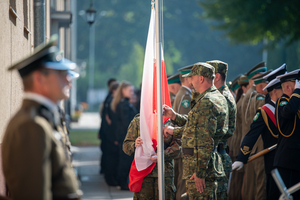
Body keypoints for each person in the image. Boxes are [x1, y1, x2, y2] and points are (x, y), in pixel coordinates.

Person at [1, 35, 82, 200]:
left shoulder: (42, 118)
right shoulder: (31, 125)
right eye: (61, 73)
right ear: (39, 79)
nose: (69, 79)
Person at [163, 62, 228, 199]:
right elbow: (195, 126)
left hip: (201, 168)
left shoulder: (206, 101)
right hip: (208, 164)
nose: (190, 81)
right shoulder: (215, 97)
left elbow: (205, 140)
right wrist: (174, 116)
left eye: (192, 77)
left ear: (201, 79)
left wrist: (200, 172)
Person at [232, 64, 286, 200]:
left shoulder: (287, 107)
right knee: (266, 190)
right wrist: (242, 157)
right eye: (282, 88)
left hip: (288, 159)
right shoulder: (265, 109)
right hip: (271, 158)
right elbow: (252, 132)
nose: (286, 91)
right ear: (274, 90)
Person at [123, 115, 180, 199]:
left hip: (165, 173)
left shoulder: (170, 121)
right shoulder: (139, 121)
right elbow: (126, 146)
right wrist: (134, 145)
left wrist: (161, 155)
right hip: (144, 174)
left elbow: (178, 146)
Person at [207, 60, 237, 199]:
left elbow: (214, 130)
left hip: (217, 156)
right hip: (218, 154)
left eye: (209, 74)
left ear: (217, 77)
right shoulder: (222, 95)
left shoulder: (222, 97)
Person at [241, 62, 267, 200]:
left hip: (250, 144)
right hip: (258, 144)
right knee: (259, 184)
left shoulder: (250, 95)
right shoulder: (258, 96)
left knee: (251, 184)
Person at [273, 69, 300, 199]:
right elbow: (288, 112)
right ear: (289, 87)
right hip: (288, 161)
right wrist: (297, 92)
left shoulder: (296, 103)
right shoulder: (283, 102)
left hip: (296, 161)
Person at [111, 81, 138, 190]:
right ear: (123, 91)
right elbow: (127, 122)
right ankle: (122, 183)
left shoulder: (124, 103)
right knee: (125, 160)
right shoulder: (124, 105)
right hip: (126, 137)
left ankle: (123, 182)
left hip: (125, 136)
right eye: (130, 91)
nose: (132, 93)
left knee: (125, 159)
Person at [172, 65, 193, 200]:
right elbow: (185, 122)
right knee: (184, 184)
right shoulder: (186, 95)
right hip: (184, 144)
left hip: (180, 143)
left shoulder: (185, 94)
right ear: (187, 79)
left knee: (181, 181)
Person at [228, 75, 249, 200]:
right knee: (237, 182)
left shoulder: (239, 102)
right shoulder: (241, 102)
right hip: (238, 146)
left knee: (237, 182)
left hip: (237, 145)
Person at [102, 82, 120, 186]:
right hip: (111, 135)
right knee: (112, 159)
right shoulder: (111, 102)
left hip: (110, 134)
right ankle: (111, 179)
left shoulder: (110, 101)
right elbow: (110, 121)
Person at [98, 78, 117, 174]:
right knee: (109, 154)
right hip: (109, 131)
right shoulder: (111, 100)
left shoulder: (108, 98)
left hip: (106, 130)